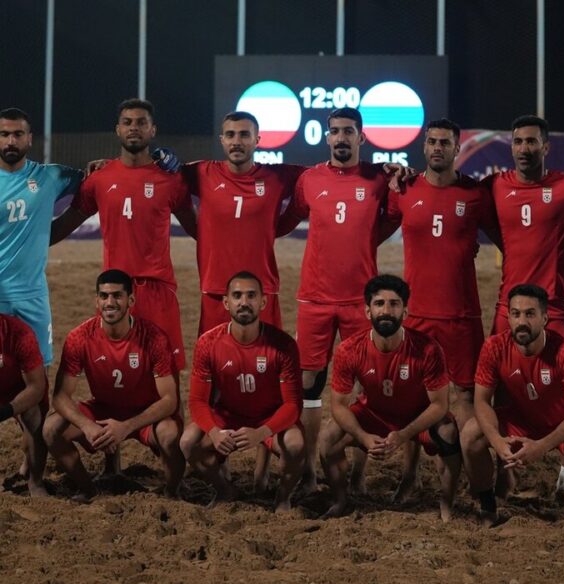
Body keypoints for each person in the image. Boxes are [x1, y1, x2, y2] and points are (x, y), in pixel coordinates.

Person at [276, 108, 393, 493]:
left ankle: (358, 477)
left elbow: (392, 219)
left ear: (362, 137)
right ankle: (308, 472)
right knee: (309, 384)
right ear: (326, 138)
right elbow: (286, 220)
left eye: (348, 132)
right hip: (314, 298)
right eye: (335, 132)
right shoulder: (310, 180)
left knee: (365, 388)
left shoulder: (379, 180)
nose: (341, 138)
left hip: (362, 301)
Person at [484, 114, 564, 500]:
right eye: (519, 142)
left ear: (546, 147)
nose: (525, 148)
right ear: (511, 146)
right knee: (501, 388)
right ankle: (506, 470)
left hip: (556, 308)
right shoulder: (495, 185)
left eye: (532, 142)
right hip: (506, 307)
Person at [50, 98, 196, 373]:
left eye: (142, 123)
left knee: (167, 375)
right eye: (127, 122)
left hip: (158, 290)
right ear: (117, 129)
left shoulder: (172, 179)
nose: (134, 128)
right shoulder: (99, 179)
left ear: (153, 130)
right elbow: (63, 226)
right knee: (117, 373)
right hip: (113, 292)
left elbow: (199, 230)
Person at [386, 118, 501, 429]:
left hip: (461, 315)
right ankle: (411, 476)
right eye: (433, 142)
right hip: (416, 312)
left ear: (457, 148)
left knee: (466, 393)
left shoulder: (475, 194)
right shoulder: (405, 189)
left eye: (445, 142)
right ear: (424, 146)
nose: (438, 147)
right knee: (412, 394)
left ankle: (463, 469)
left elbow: (506, 239)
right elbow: (375, 227)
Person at [461, 284, 564, 535]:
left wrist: (541, 446)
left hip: (562, 423)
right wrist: (497, 440)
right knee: (471, 433)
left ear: (545, 318)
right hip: (521, 421)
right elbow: (482, 401)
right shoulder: (494, 347)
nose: (521, 321)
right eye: (515, 314)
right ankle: (488, 505)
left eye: (529, 314)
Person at [319, 275, 461, 519]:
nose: (386, 310)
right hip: (373, 415)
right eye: (379, 303)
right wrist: (363, 437)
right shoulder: (349, 349)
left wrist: (404, 435)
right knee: (328, 439)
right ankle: (340, 500)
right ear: (367, 311)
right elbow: (338, 406)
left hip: (415, 418)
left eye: (394, 304)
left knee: (448, 432)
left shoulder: (427, 348)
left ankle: (447, 505)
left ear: (405, 312)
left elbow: (439, 405)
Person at [43, 270, 184, 499]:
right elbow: (60, 397)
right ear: (96, 300)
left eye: (117, 296)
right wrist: (87, 426)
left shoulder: (153, 337)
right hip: (102, 410)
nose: (110, 302)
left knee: (170, 433)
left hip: (142, 413)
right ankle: (88, 490)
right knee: (50, 429)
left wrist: (126, 426)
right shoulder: (80, 337)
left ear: (131, 300)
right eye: (104, 296)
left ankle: (172, 492)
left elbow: (170, 400)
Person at [181, 271, 304, 511]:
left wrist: (262, 433)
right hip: (227, 416)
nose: (244, 302)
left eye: (251, 295)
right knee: (187, 442)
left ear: (263, 301)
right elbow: (197, 401)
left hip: (267, 418)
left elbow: (293, 405)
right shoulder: (208, 343)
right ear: (226, 302)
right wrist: (215, 432)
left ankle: (282, 498)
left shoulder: (283, 345)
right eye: (237, 296)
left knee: (296, 443)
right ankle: (225, 490)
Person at [183, 111, 304, 334]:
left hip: (262, 290)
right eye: (230, 135)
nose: (237, 141)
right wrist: (109, 165)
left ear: (257, 140)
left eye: (244, 135)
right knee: (214, 360)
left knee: (267, 361)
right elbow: (151, 173)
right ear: (222, 140)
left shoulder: (278, 176)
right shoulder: (202, 173)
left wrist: (383, 171)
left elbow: (327, 176)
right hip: (215, 289)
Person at [0, 107, 82, 366]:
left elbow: (99, 180)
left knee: (38, 375)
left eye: (17, 134)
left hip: (34, 296)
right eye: (4, 134)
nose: (11, 141)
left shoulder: (51, 176)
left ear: (30, 138)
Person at [0, 313, 48, 496]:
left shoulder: (18, 332)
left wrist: (7, 410)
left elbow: (36, 387)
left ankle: (36, 482)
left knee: (35, 417)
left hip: (18, 389)